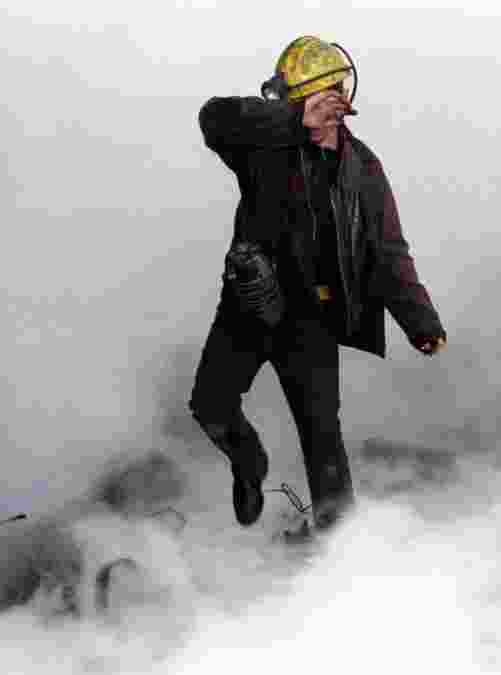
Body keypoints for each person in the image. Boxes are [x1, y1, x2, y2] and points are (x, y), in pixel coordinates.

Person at [188, 35, 447, 534]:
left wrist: (421, 322)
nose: (323, 110)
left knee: (323, 437)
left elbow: (389, 252)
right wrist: (292, 123)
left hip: (310, 322)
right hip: (248, 306)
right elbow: (211, 117)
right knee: (209, 405)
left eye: (328, 100)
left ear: (343, 101)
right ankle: (250, 461)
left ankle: (339, 548)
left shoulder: (363, 169)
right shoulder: (264, 146)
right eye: (305, 101)